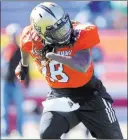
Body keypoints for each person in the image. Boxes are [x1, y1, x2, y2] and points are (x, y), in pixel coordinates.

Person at [15, 2, 123, 139]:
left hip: (90, 94)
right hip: (59, 95)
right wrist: (23, 65)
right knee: (47, 134)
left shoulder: (81, 32)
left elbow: (83, 65)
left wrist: (55, 56)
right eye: (58, 31)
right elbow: (25, 47)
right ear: (42, 33)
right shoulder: (30, 37)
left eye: (64, 25)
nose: (65, 32)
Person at [3, 23, 29, 136]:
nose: (12, 37)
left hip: (17, 83)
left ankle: (19, 131)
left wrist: (26, 83)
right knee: (4, 109)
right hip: (5, 82)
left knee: (19, 109)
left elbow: (26, 67)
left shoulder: (21, 51)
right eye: (11, 35)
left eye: (14, 35)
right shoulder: (5, 49)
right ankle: (6, 130)